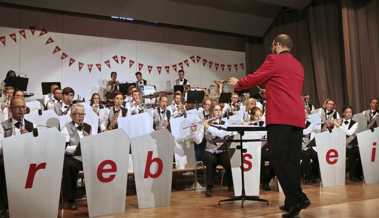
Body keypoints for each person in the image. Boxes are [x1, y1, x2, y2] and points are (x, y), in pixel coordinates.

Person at [228, 34, 310, 218]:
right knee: (292, 162)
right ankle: (291, 203)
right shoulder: (298, 65)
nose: (272, 48)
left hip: (280, 117)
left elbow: (255, 78)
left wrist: (238, 84)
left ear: (277, 45)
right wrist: (269, 92)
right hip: (296, 117)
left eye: (273, 45)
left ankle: (299, 198)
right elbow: (286, 88)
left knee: (279, 161)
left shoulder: (274, 59)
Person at [0, 97, 34, 218]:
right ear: (10, 109)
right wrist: (16, 140)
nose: (20, 110)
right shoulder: (3, 125)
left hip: (27, 158)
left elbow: (37, 144)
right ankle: (3, 207)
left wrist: (29, 138)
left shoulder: (31, 125)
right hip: (9, 158)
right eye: (17, 107)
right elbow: (1, 146)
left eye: (23, 107)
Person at [61, 104, 91, 210]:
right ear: (72, 115)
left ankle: (95, 197)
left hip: (87, 156)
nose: (81, 116)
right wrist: (77, 148)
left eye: (83, 114)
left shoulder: (88, 126)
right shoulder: (66, 128)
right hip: (73, 157)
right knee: (68, 165)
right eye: (79, 114)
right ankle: (71, 199)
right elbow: (64, 148)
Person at [203, 104, 233, 197]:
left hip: (222, 151)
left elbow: (224, 135)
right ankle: (209, 187)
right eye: (216, 110)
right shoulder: (208, 123)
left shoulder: (225, 122)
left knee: (230, 162)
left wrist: (212, 130)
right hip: (211, 150)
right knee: (210, 160)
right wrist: (219, 135)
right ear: (212, 112)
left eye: (219, 110)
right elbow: (209, 137)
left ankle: (230, 185)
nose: (218, 112)